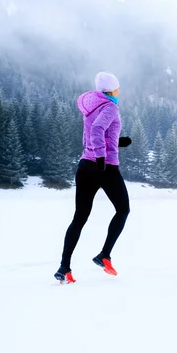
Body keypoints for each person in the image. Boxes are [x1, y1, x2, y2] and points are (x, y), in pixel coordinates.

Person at [54, 71, 132, 284]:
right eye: (117, 87)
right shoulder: (110, 106)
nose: (119, 90)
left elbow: (91, 134)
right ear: (112, 90)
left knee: (79, 218)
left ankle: (64, 268)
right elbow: (98, 129)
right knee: (123, 209)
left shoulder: (92, 106)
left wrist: (117, 142)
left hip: (85, 165)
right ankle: (104, 255)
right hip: (104, 167)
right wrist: (101, 158)